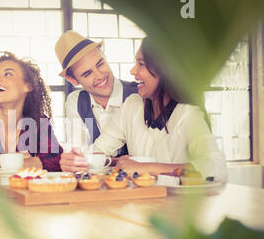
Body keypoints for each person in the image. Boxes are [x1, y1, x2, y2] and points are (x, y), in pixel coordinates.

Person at [91, 37, 227, 181]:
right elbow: (98, 151)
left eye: (141, 64)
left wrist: (146, 168)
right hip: (141, 202)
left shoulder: (188, 114)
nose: (132, 71)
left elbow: (216, 167)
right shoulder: (132, 105)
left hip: (177, 203)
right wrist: (80, 161)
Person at [54, 30, 138, 172]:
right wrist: (116, 161)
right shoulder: (76, 102)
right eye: (87, 73)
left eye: (100, 64)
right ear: (73, 80)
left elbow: (149, 156)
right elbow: (80, 155)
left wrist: (100, 160)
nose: (99, 76)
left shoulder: (139, 94)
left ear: (104, 57)